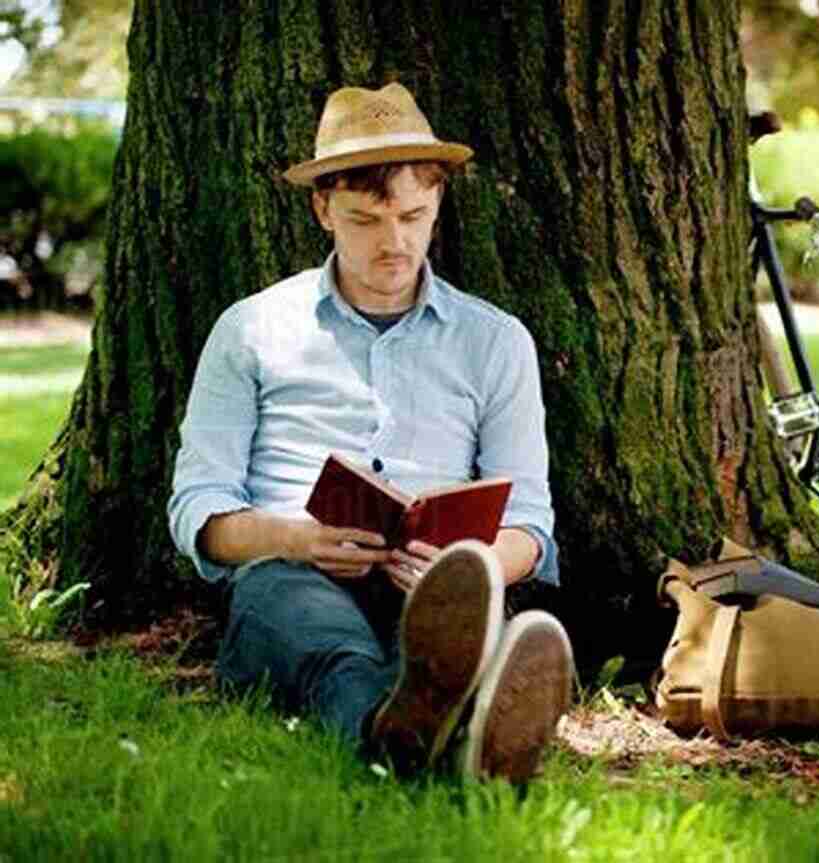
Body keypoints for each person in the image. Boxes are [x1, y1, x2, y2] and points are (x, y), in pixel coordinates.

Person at [167, 82, 573, 782]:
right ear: (323, 207)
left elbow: (531, 524)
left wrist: (467, 570)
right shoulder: (252, 329)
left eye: (414, 215)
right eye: (365, 219)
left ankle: (427, 723)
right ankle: (430, 735)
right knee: (322, 640)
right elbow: (197, 509)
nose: (395, 242)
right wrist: (294, 536)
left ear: (438, 200)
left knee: (453, 636)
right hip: (291, 576)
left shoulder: (495, 341)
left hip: (436, 591)